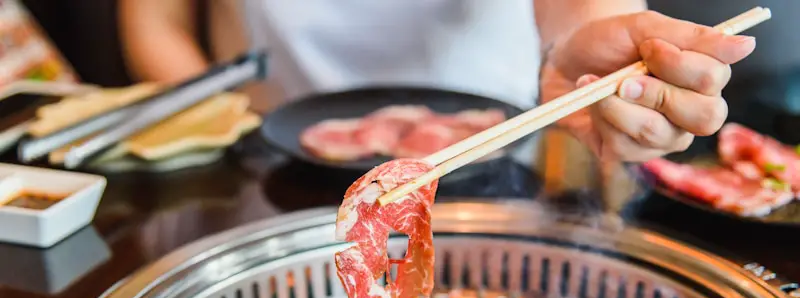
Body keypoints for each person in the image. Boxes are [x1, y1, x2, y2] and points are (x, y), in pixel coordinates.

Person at [118, 0, 757, 162]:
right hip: (266, 160)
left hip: (499, 154)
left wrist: (590, 52)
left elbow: (587, 11)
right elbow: (153, 20)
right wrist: (230, 127)